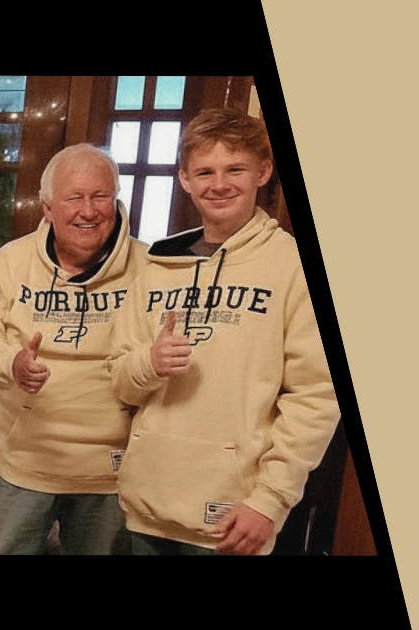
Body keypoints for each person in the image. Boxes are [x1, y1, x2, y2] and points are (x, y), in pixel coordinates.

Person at [107, 107, 340, 555]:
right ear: (185, 180)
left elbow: (316, 396)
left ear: (264, 172)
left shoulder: (293, 266)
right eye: (205, 171)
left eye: (235, 169)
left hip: (235, 514)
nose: (219, 184)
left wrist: (270, 499)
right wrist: (149, 364)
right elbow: (120, 378)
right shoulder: (158, 267)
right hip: (148, 508)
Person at [0, 144, 146, 555]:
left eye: (100, 196)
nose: (89, 210)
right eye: (74, 198)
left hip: (112, 474)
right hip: (20, 464)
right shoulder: (10, 263)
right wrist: (11, 362)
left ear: (116, 201)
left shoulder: (149, 268)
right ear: (47, 207)